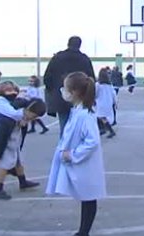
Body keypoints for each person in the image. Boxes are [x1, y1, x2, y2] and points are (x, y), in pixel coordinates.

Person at [46, 72, 106, 236]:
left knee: (88, 196)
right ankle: (82, 230)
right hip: (80, 162)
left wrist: (73, 154)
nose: (62, 92)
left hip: (84, 162)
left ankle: (84, 231)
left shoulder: (85, 115)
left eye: (65, 89)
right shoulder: (77, 111)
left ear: (75, 93)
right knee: (86, 196)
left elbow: (92, 141)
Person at [0, 98, 44, 200]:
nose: (33, 118)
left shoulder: (21, 114)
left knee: (18, 161)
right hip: (7, 142)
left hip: (14, 140)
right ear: (28, 110)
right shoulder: (12, 115)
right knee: (6, 163)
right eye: (33, 116)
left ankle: (22, 181)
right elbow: (2, 133)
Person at [43, 36, 95, 137]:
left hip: (62, 98)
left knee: (65, 127)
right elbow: (91, 79)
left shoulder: (57, 58)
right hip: (80, 98)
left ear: (68, 44)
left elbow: (47, 79)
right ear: (80, 45)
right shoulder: (85, 59)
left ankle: (65, 149)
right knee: (82, 128)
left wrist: (55, 92)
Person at [95, 69, 117, 138]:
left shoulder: (98, 85)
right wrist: (115, 102)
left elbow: (95, 94)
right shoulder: (110, 85)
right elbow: (113, 94)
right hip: (108, 102)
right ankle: (103, 129)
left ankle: (110, 130)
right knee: (102, 117)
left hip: (100, 103)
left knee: (101, 117)